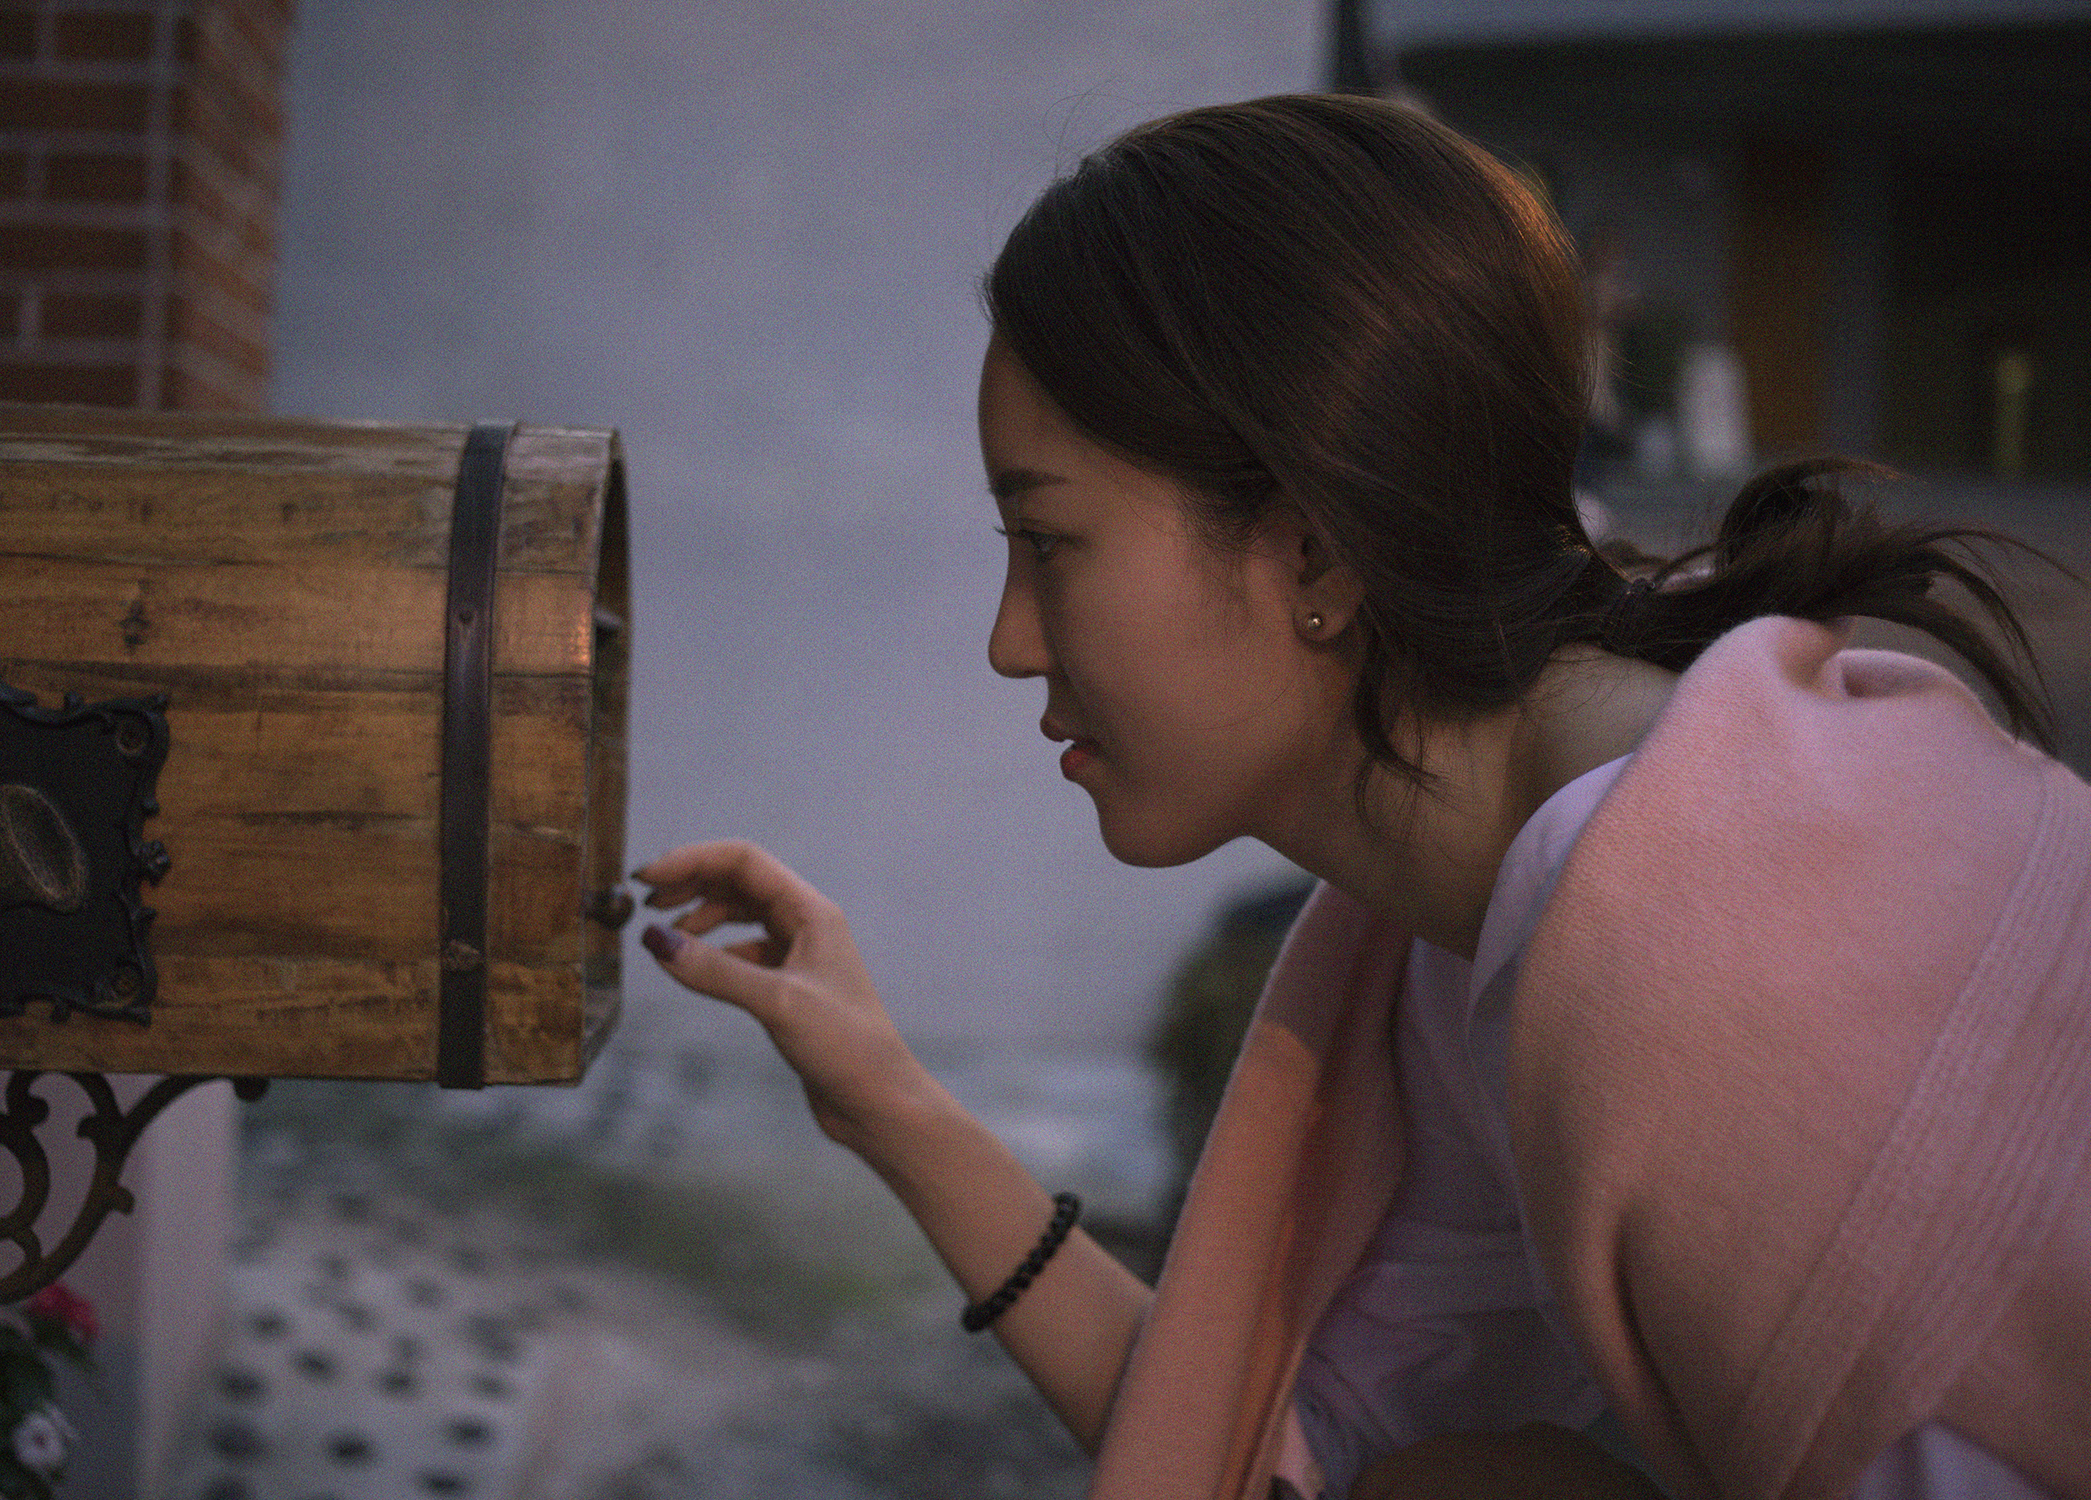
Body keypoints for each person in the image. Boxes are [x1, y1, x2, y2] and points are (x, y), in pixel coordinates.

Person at [632, 94, 2091, 1500]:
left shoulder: (1724, 972)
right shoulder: (1485, 932)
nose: (1010, 641)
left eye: (1050, 542)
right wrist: (887, 1101)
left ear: (1315, 553)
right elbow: (1276, 1449)